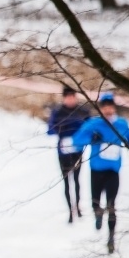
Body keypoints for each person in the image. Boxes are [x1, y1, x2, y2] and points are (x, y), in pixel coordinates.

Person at [71, 92, 129, 254]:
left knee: (112, 205)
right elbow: (77, 140)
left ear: (113, 107)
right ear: (101, 108)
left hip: (113, 171)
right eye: (104, 107)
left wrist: (128, 141)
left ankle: (111, 238)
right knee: (95, 202)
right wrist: (91, 138)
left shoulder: (121, 123)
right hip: (96, 170)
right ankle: (98, 214)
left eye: (110, 106)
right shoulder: (94, 124)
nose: (108, 110)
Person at [47, 86, 91, 223]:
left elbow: (90, 128)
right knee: (66, 182)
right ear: (64, 98)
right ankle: (70, 211)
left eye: (73, 96)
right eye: (68, 97)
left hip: (77, 151)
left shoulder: (83, 111)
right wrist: (61, 128)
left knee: (77, 180)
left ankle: (77, 207)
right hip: (63, 152)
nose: (71, 99)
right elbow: (49, 130)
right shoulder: (58, 112)